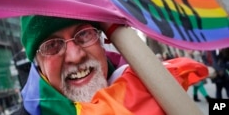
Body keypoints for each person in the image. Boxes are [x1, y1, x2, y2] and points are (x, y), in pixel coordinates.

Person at [17, 15, 208, 115]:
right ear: (37, 64)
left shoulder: (152, 86)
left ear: (102, 39)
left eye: (84, 34)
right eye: (51, 45)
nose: (75, 57)